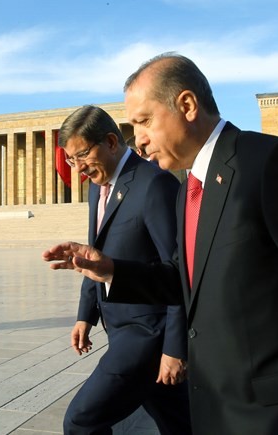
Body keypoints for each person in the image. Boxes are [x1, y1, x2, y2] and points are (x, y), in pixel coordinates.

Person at [44, 53, 278, 435]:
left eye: (143, 121)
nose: (136, 140)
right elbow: (184, 281)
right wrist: (110, 270)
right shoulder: (186, 190)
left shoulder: (271, 166)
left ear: (186, 105)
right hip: (216, 410)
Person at [57, 105, 190, 434]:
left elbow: (178, 271)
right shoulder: (96, 186)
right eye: (71, 160)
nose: (78, 168)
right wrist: (85, 314)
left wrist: (175, 348)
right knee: (180, 423)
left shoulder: (154, 184)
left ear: (112, 142)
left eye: (82, 156)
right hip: (119, 329)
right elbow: (95, 252)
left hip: (146, 334)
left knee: (81, 421)